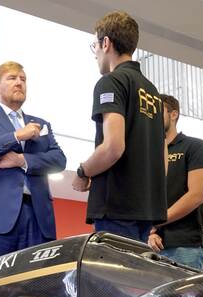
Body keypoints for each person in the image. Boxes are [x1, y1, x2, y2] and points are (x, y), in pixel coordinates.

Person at [71, 11, 167, 242]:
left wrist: (83, 172)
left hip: (117, 208)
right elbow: (162, 153)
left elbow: (113, 147)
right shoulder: (153, 92)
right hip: (145, 208)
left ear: (106, 43)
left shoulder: (111, 82)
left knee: (112, 278)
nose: (94, 54)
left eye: (94, 45)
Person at [0, 62, 67, 263]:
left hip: (38, 218)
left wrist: (22, 160)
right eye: (12, 78)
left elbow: (59, 160)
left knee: (37, 288)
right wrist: (16, 135)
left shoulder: (41, 124)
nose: (19, 82)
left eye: (23, 79)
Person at [147, 94, 203, 270]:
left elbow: (196, 196)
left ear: (173, 114)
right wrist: (149, 232)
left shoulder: (195, 147)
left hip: (184, 247)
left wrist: (155, 223)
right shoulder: (148, 153)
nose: (151, 116)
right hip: (148, 246)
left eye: (157, 112)